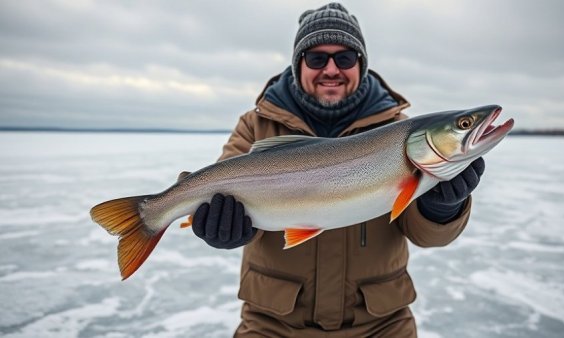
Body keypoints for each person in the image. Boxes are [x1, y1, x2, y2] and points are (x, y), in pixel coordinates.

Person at [190, 3, 485, 337]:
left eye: (345, 58)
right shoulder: (257, 126)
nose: (331, 69)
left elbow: (425, 236)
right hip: (273, 324)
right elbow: (216, 196)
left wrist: (442, 209)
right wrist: (221, 226)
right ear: (298, 64)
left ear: (361, 64)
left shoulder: (400, 133)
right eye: (317, 58)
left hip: (379, 324)